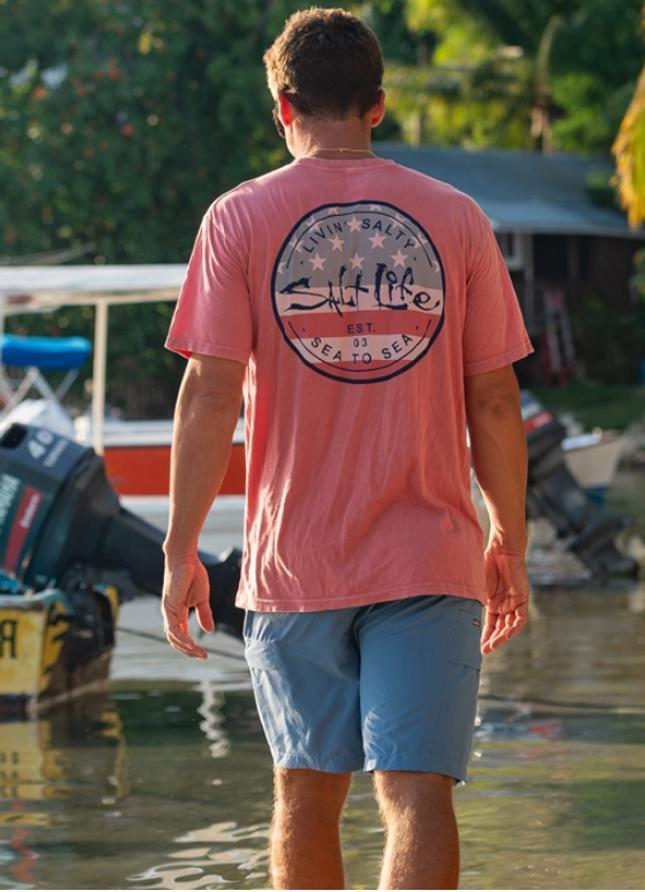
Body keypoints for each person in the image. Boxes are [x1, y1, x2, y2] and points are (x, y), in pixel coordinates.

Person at [161, 8, 533, 889]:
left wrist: (180, 550)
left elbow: (209, 393)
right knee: (418, 795)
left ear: (282, 107)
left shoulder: (237, 218)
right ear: (377, 104)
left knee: (304, 795)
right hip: (431, 556)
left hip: (297, 563)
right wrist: (507, 538)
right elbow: (495, 398)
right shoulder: (457, 218)